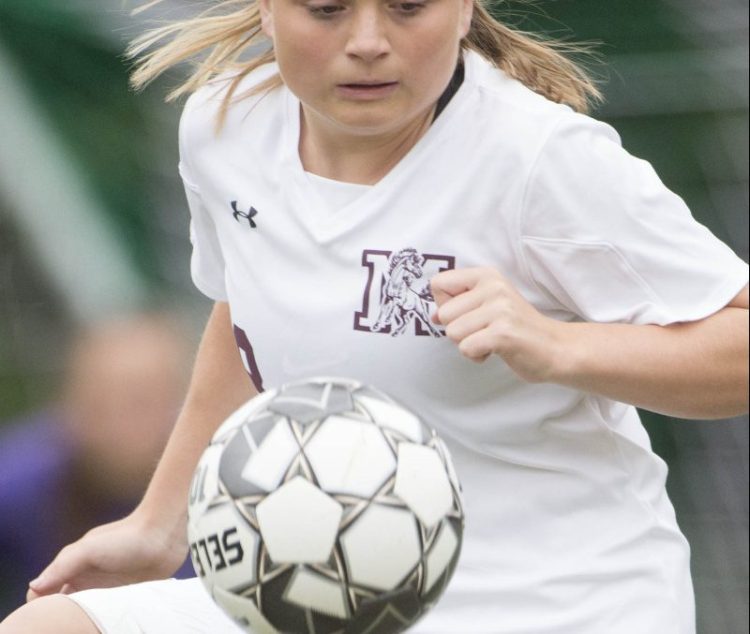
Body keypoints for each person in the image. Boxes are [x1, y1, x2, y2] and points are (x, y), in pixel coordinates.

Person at [1, 0, 747, 631]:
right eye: (326, 8)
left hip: (551, 603)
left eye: (407, 6)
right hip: (319, 581)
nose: (366, 41)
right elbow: (243, 320)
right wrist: (158, 526)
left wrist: (559, 346)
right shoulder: (223, 127)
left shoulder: (539, 159)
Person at [0, 313, 195, 618]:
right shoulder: (24, 479)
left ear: (180, 402)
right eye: (100, 400)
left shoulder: (223, 490)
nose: (118, 421)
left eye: (139, 401)